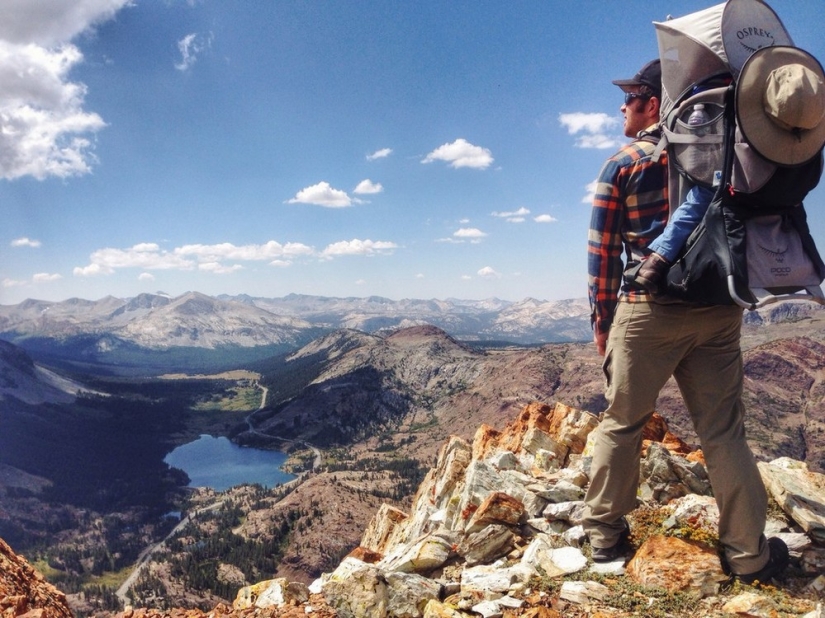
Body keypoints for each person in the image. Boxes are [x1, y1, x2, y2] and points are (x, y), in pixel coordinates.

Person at [583, 58, 789, 584]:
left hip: (648, 312)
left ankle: (604, 538)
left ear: (653, 103)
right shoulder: (735, 155)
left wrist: (602, 319)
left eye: (628, 98)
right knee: (724, 433)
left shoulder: (624, 162)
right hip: (720, 311)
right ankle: (747, 554)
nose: (621, 107)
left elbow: (603, 252)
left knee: (623, 422)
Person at [634, 184, 714, 292]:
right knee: (710, 189)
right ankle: (660, 256)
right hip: (715, 296)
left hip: (640, 296)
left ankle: (657, 260)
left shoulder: (619, 168)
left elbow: (607, 249)